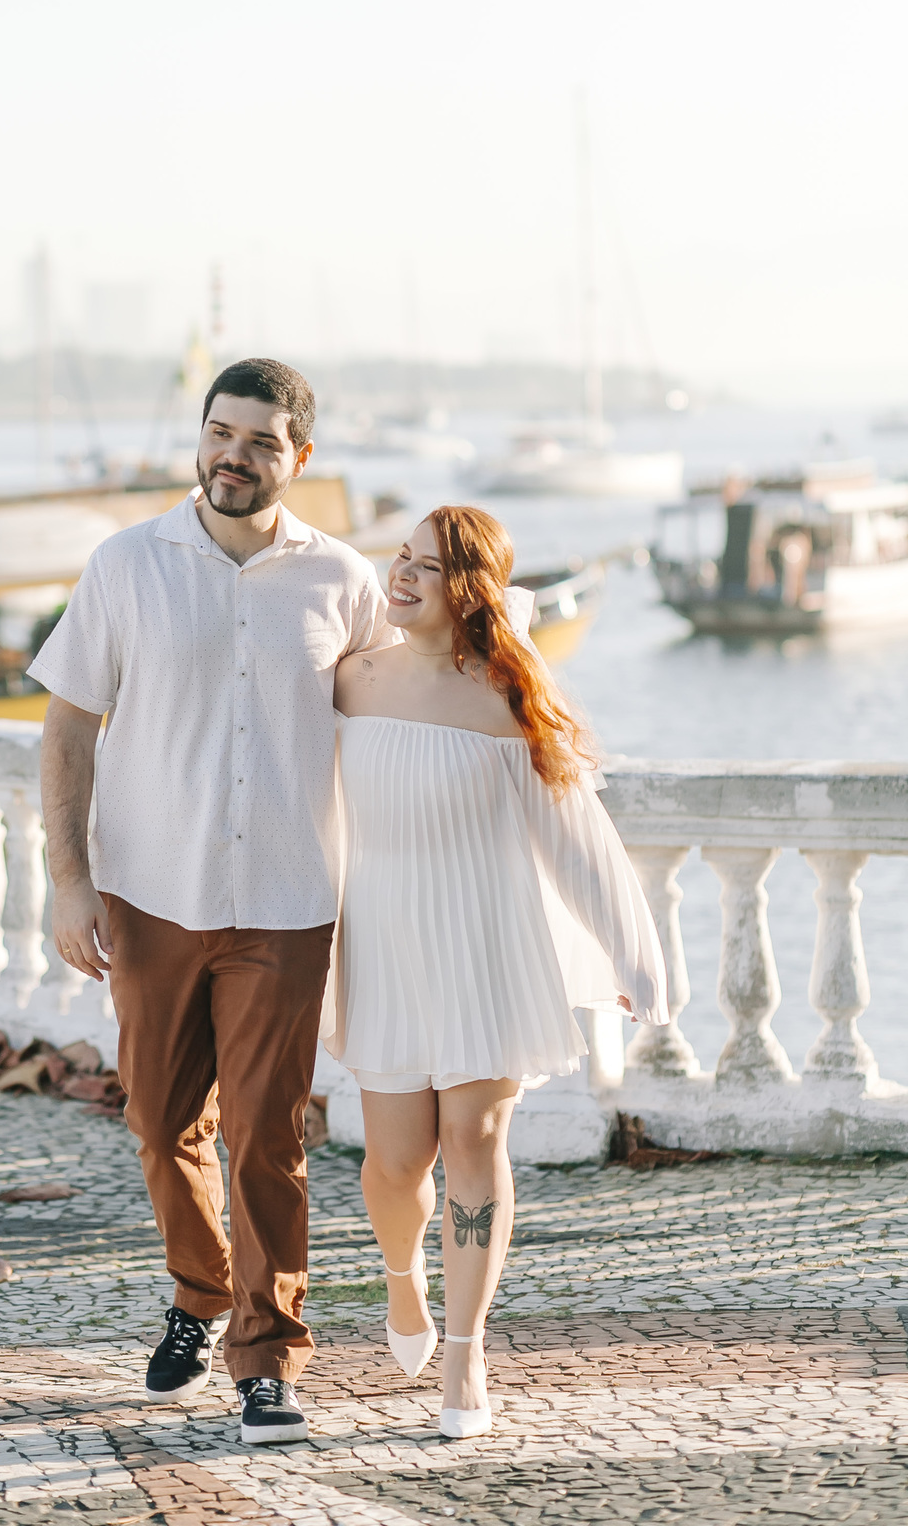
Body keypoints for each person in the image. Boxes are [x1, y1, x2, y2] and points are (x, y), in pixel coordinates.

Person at [30, 358, 395, 1446]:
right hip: (151, 895)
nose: (234, 456)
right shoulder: (126, 565)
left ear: (300, 457)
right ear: (200, 438)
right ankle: (199, 1289)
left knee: (267, 1137)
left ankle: (267, 1356)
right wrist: (68, 880)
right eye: (220, 433)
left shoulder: (343, 580)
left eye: (261, 441)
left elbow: (396, 724)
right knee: (158, 1121)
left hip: (287, 902)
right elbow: (67, 726)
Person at [327, 505, 668, 1439]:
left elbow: (576, 837)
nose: (401, 576)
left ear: (469, 590)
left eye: (428, 567)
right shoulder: (350, 680)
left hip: (484, 943)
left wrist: (633, 952)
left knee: (474, 1143)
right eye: (401, 558)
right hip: (384, 945)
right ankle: (403, 1280)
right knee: (397, 1160)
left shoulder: (510, 694)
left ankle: (466, 1355)